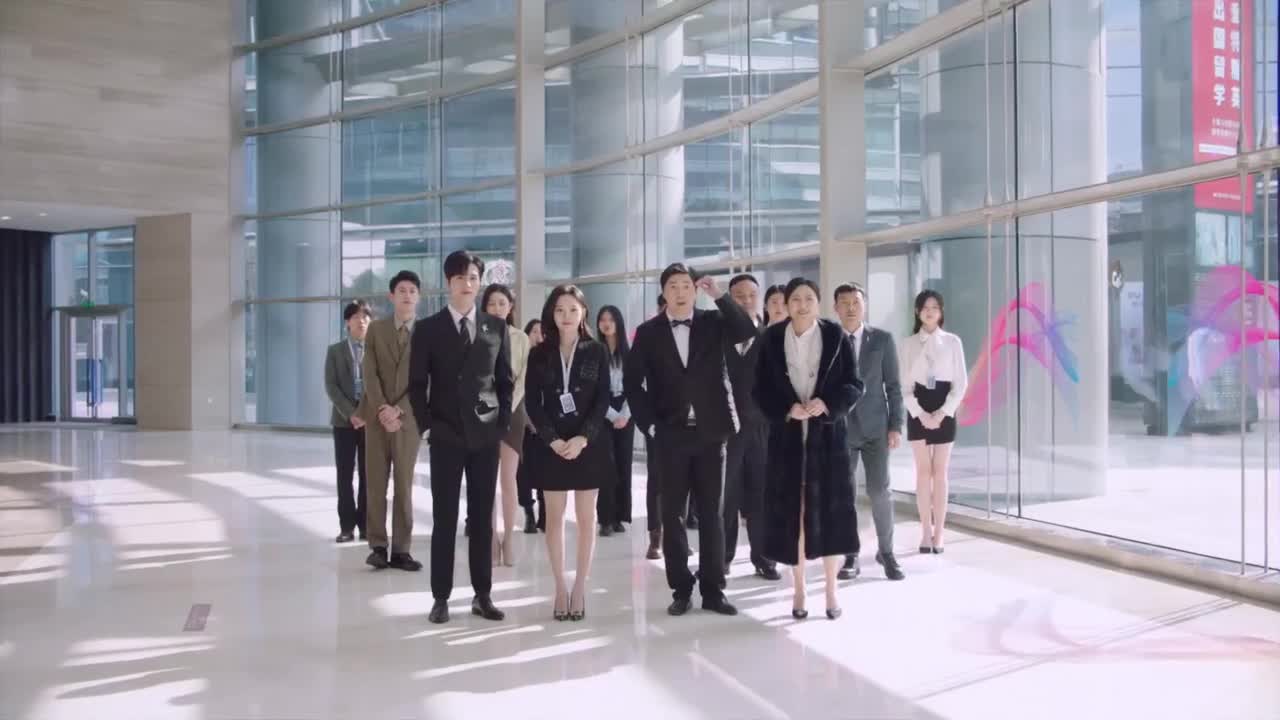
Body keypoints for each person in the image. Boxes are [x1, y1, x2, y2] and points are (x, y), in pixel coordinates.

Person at [624, 263, 757, 617]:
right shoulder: (647, 333)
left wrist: (720, 296)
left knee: (712, 513)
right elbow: (633, 384)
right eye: (673, 286)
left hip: (712, 432)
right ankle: (681, 589)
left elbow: (746, 330)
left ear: (695, 290)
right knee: (673, 515)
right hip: (670, 434)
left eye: (686, 285)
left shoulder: (714, 322)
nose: (680, 292)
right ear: (664, 292)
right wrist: (650, 426)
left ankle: (713, 590)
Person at [409, 251, 514, 624]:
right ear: (448, 283)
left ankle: (482, 595)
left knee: (482, 519)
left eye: (472, 278)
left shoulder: (495, 327)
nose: (466, 285)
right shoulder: (428, 328)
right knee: (445, 518)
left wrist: (500, 425)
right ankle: (440, 597)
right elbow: (416, 384)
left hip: (485, 436)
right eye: (459, 278)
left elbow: (504, 381)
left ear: (479, 282)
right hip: (446, 435)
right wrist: (428, 425)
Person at [754, 277, 864, 621]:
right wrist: (787, 409)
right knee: (793, 517)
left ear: (818, 303)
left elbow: (853, 384)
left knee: (831, 517)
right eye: (796, 300)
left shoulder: (835, 336)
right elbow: (759, 390)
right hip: (787, 441)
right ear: (786, 304)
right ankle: (799, 588)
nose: (802, 305)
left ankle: (831, 589)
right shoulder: (772, 338)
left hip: (828, 440)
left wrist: (827, 404)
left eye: (809, 299)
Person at [524, 285, 614, 621]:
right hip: (552, 446)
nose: (566, 316)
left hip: (587, 444)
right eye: (560, 310)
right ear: (552, 312)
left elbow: (602, 399)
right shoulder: (539, 353)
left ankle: (580, 588)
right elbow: (533, 402)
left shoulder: (596, 351)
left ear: (583, 313)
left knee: (587, 519)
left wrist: (582, 438)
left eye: (573, 310)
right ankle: (560, 587)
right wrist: (551, 439)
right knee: (554, 518)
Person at [834, 283, 906, 581]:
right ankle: (850, 555)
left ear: (864, 305)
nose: (851, 307)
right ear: (836, 308)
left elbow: (894, 387)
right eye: (845, 302)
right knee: (845, 494)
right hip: (841, 428)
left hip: (877, 428)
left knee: (879, 491)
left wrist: (896, 426)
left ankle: (886, 552)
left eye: (856, 302)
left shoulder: (882, 339)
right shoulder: (829, 339)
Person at [359, 272, 423, 572]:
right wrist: (383, 409)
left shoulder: (427, 333)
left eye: (412, 291)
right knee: (375, 482)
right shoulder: (376, 330)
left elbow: (427, 380)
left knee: (404, 485)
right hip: (377, 419)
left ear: (418, 296)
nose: (407, 295)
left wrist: (399, 411)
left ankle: (401, 549)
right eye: (401, 290)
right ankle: (377, 546)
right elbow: (369, 373)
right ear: (391, 296)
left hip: (408, 421)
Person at [721, 274, 780, 581]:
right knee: (726, 495)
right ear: (729, 300)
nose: (746, 300)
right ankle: (723, 557)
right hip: (727, 427)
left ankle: (764, 557)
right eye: (739, 296)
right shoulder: (719, 333)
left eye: (751, 295)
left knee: (760, 495)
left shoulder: (771, 334)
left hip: (762, 427)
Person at [900, 290, 967, 554]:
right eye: (925, 307)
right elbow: (903, 386)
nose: (930, 312)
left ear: (941, 312)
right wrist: (920, 414)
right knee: (922, 472)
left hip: (945, 408)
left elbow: (961, 384)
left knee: (940, 472)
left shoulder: (952, 342)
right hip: (917, 407)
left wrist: (941, 413)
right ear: (917, 312)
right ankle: (925, 533)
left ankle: (939, 533)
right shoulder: (908, 344)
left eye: (935, 307)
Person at [482, 283, 529, 567]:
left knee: (508, 480)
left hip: (513, 413)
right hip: (484, 413)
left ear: (511, 307)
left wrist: (507, 407)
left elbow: (524, 377)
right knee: (486, 480)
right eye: (492, 303)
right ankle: (490, 538)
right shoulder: (478, 335)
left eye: (502, 303)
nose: (497, 308)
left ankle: (509, 538)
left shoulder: (521, 338)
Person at [325, 301, 372, 544]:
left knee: (368, 475)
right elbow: (331, 386)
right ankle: (346, 527)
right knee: (344, 475)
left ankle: (365, 526)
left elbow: (380, 383)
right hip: (343, 422)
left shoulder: (376, 349)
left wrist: (364, 413)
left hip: (369, 422)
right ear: (347, 322)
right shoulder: (335, 351)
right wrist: (351, 413)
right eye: (355, 317)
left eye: (365, 317)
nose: (361, 321)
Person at [596, 305, 633, 538]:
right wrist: (611, 415)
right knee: (606, 465)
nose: (607, 323)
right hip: (602, 412)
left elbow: (637, 386)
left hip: (627, 411)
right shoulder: (594, 352)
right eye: (602, 319)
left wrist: (625, 415)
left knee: (624, 464)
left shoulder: (630, 353)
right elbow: (594, 390)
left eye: (611, 319)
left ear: (618, 322)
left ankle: (620, 516)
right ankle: (605, 519)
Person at [517, 319, 546, 533]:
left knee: (547, 469)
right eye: (534, 331)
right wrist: (529, 419)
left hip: (546, 425)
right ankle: (528, 512)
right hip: (524, 423)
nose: (538, 336)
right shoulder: (521, 359)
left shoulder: (549, 359)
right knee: (524, 470)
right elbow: (519, 394)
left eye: (542, 332)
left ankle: (545, 513)